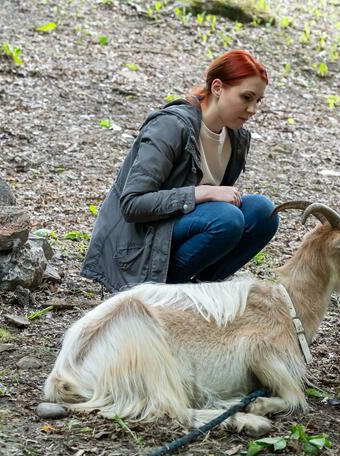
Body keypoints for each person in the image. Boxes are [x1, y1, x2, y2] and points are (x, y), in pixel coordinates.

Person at [81, 50, 279, 292]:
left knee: (263, 212)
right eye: (246, 97)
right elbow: (132, 204)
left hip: (175, 230)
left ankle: (198, 291)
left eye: (258, 101)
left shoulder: (236, 137)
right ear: (218, 88)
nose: (252, 109)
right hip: (138, 242)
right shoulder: (170, 126)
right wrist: (201, 193)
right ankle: (155, 294)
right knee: (227, 219)